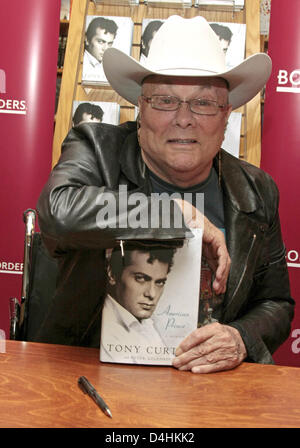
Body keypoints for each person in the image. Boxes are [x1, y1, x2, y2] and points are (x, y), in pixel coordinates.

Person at [36, 15, 294, 373]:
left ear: (226, 116)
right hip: (89, 382)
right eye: (165, 101)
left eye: (203, 103)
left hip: (208, 393)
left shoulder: (256, 190)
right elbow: (57, 213)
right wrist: (173, 214)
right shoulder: (97, 149)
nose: (184, 119)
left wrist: (239, 338)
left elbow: (276, 302)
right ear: (140, 109)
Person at [100, 242, 177, 362]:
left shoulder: (144, 323)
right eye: (140, 278)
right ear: (112, 274)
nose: (152, 294)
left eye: (159, 282)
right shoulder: (110, 330)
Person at [82, 17, 118, 82]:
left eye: (109, 43)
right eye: (100, 42)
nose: (106, 48)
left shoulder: (110, 68)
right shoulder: (80, 64)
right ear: (87, 39)